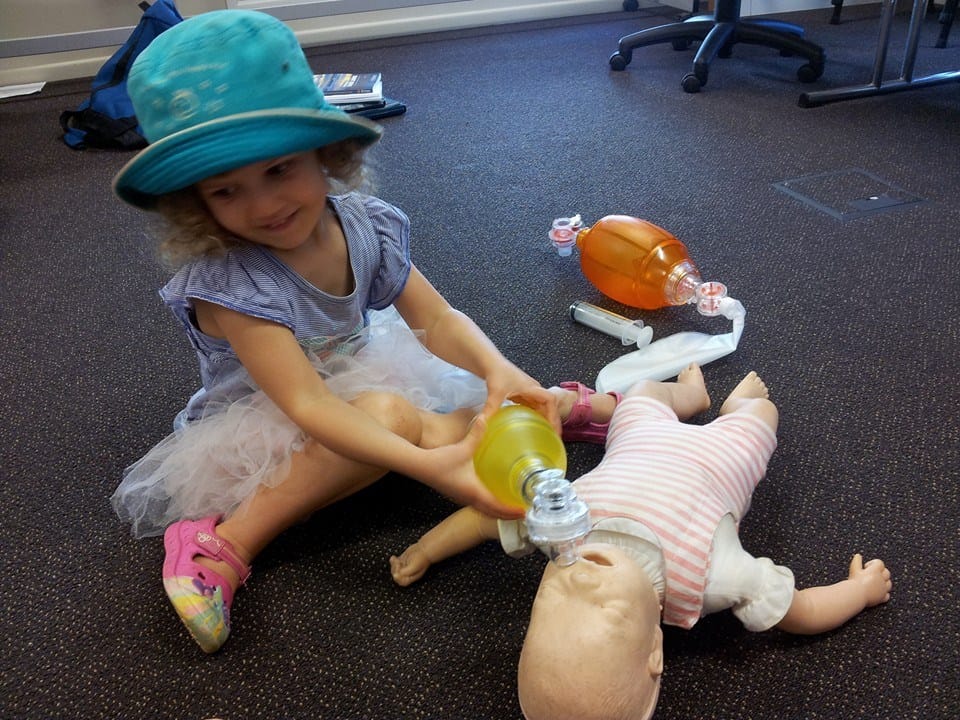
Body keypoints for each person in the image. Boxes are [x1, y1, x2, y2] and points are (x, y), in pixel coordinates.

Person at [109, 9, 612, 655]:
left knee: (421, 413)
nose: (263, 206)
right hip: (266, 420)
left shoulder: (365, 225)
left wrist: (499, 371)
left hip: (357, 379)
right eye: (226, 191)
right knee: (396, 422)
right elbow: (307, 403)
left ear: (326, 153)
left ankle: (531, 409)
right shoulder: (232, 283)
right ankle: (225, 541)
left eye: (280, 170)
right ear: (194, 201)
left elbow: (434, 319)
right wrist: (434, 471)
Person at [390, 364, 893, 720]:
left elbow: (483, 520)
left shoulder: (563, 532)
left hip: (641, 440)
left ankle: (688, 397)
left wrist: (427, 549)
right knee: (761, 417)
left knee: (645, 392)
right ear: (656, 647)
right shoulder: (710, 577)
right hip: (719, 458)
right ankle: (735, 405)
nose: (579, 575)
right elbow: (798, 611)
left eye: (550, 598)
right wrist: (860, 593)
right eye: (606, 609)